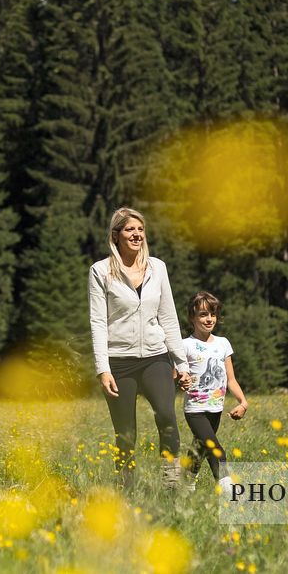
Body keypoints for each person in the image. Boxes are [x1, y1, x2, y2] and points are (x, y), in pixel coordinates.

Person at [89, 207, 192, 490]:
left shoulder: (157, 267)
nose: (136, 234)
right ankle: (127, 488)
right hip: (119, 361)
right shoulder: (100, 271)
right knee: (125, 432)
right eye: (129, 229)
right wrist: (103, 369)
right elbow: (97, 322)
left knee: (167, 416)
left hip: (155, 358)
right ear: (116, 235)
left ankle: (172, 484)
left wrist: (181, 363)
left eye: (140, 229)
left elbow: (168, 317)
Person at [181, 291, 248, 493]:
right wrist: (181, 379)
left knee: (199, 448)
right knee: (214, 447)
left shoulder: (223, 343)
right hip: (195, 409)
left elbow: (231, 379)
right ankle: (227, 488)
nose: (209, 319)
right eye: (203, 314)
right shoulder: (185, 345)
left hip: (215, 408)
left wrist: (243, 402)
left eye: (213, 314)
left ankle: (185, 485)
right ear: (192, 317)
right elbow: (175, 374)